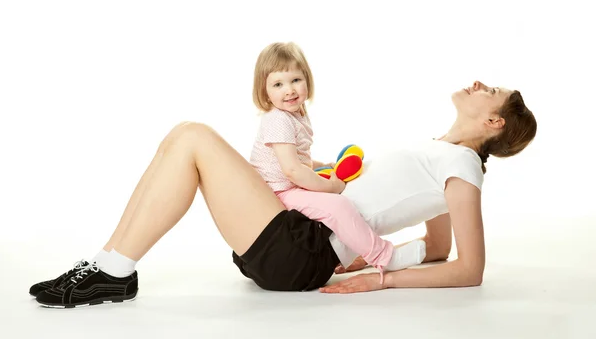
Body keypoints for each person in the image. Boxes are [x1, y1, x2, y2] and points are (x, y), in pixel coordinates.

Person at [29, 78, 536, 308]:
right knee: (182, 138)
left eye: (490, 89)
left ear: (493, 122)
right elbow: (439, 246)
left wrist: (383, 277)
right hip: (301, 239)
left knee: (193, 137)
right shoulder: (444, 153)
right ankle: (108, 266)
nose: (477, 83)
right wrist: (392, 253)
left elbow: (469, 269)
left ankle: (112, 273)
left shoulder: (464, 167)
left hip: (302, 252)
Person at [246, 42, 426, 285]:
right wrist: (329, 187)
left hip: (290, 182)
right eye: (278, 84)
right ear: (265, 91)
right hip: (278, 191)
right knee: (338, 206)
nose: (289, 90)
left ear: (307, 80)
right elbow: (290, 170)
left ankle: (350, 250)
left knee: (341, 190)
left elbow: (298, 159)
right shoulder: (278, 120)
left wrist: (323, 165)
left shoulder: (296, 112)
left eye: (296, 80)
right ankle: (383, 256)